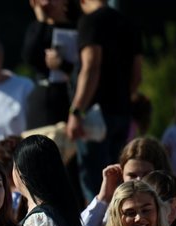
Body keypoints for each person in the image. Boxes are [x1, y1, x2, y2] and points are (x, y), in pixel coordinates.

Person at [67, 0, 143, 200]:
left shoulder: (90, 21)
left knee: (96, 186)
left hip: (95, 117)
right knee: (118, 180)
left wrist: (76, 111)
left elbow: (91, 66)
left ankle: (100, 221)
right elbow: (137, 75)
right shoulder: (128, 23)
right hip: (122, 113)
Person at [81, 137, 173, 226]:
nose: (138, 181)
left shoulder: (174, 205)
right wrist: (104, 198)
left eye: (146, 175)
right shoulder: (112, 207)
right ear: (122, 175)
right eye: (132, 175)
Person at [21, 0, 74, 129]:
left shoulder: (77, 27)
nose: (46, 3)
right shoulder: (37, 28)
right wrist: (41, 21)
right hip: (44, 97)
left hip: (70, 97)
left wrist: (62, 64)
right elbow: (29, 57)